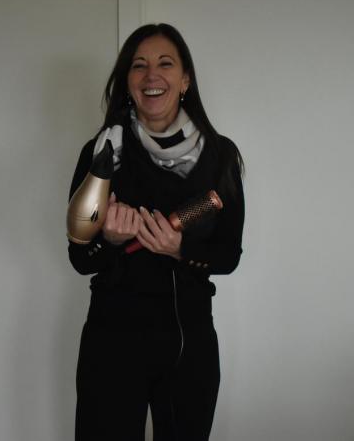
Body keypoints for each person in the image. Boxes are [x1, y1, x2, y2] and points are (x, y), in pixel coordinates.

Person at [67, 23, 244, 441]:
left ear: (185, 80)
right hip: (112, 342)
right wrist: (109, 241)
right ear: (127, 81)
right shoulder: (100, 154)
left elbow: (228, 256)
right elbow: (79, 258)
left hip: (189, 343)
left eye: (165, 63)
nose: (151, 75)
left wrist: (180, 249)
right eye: (138, 65)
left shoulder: (220, 157)